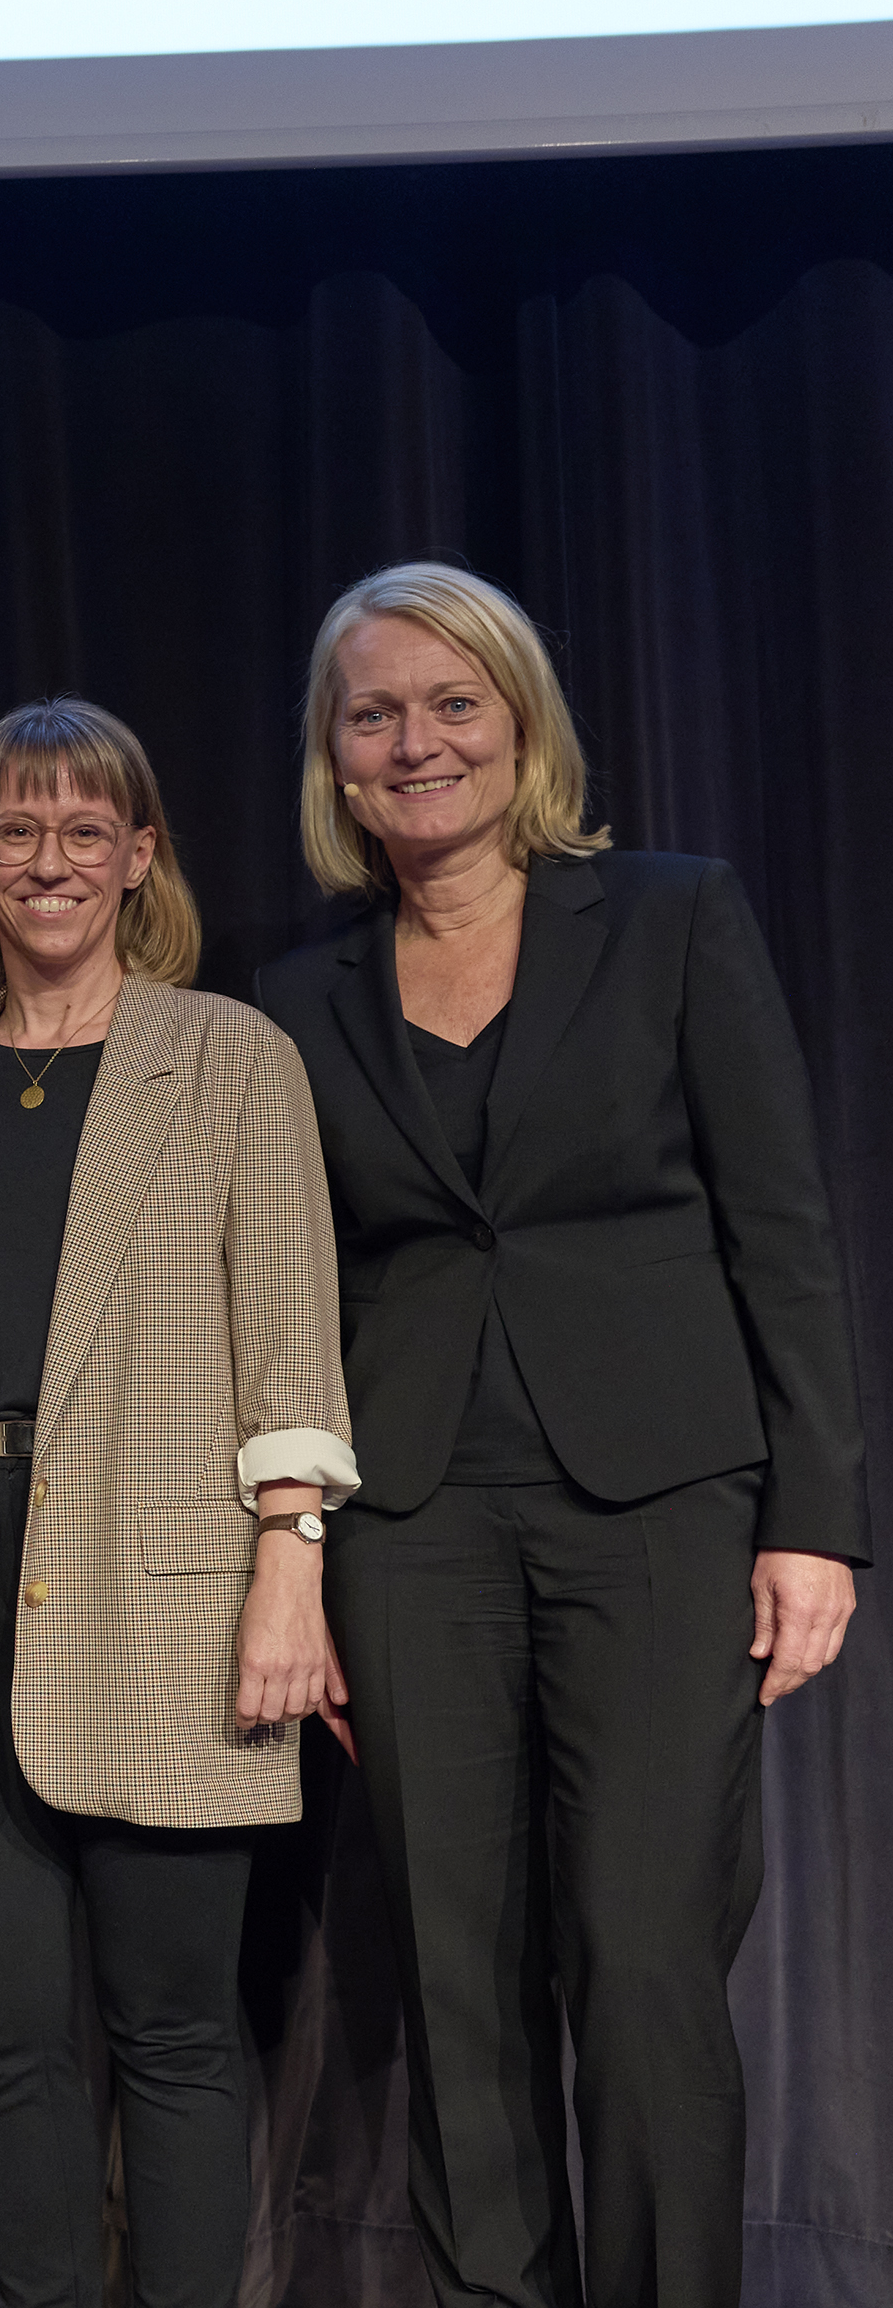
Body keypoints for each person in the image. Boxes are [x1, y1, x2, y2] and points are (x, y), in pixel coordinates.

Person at [253, 563, 862, 2308]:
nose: (417, 741)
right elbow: (289, 1290)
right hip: (411, 1519)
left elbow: (783, 1228)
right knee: (458, 1974)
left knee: (646, 1953)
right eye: (376, 713)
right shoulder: (299, 997)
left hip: (660, 1501)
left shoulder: (672, 917)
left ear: (522, 726)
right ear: (334, 755)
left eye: (455, 702)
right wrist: (297, 1559)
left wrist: (816, 1513)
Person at [0, 699, 354, 2307]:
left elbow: (292, 1333)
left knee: (174, 2027)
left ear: (138, 856)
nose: (49, 860)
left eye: (83, 829)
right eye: (16, 830)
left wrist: (290, 1566)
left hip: (166, 1582)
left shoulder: (229, 1056)